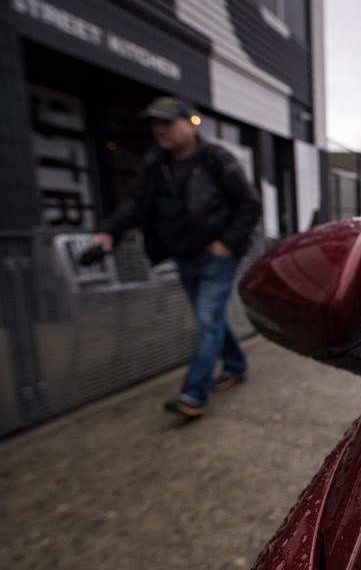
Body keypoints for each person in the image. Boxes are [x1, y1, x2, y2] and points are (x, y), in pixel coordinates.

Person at [92, 96, 261, 419]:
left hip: (217, 257)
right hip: (184, 256)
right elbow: (137, 204)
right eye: (155, 124)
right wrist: (109, 231)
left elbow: (248, 204)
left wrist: (227, 242)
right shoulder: (157, 164)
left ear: (188, 122)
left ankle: (193, 395)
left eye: (167, 122)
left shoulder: (215, 158)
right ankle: (236, 365)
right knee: (209, 320)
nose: (160, 130)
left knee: (206, 322)